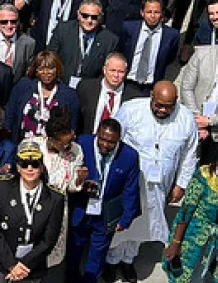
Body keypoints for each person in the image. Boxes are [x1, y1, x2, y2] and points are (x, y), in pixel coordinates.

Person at [106, 81, 200, 281]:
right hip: (130, 182)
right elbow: (112, 141)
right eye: (159, 105)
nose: (163, 110)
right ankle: (111, 260)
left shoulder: (186, 118)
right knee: (123, 223)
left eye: (168, 107)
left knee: (145, 224)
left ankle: (128, 259)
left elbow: (189, 155)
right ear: (151, 96)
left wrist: (181, 185)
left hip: (160, 184)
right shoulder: (131, 110)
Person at [162, 140, 218, 283]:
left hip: (213, 238)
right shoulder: (203, 176)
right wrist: (175, 243)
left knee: (203, 272)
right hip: (192, 237)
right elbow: (185, 212)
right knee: (183, 274)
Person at [67, 119, 141, 283]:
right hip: (81, 208)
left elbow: (130, 189)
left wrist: (126, 219)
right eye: (102, 139)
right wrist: (80, 183)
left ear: (119, 140)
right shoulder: (81, 144)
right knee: (74, 250)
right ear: (96, 134)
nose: (105, 145)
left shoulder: (129, 156)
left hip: (106, 213)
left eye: (111, 142)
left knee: (98, 255)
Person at [0, 143, 66, 283]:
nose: (29, 168)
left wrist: (24, 266)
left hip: (31, 267)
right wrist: (11, 264)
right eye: (25, 164)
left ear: (41, 167)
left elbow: (49, 240)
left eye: (35, 164)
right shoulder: (1, 188)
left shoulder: (55, 198)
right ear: (18, 167)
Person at [38, 115, 86, 279]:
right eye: (64, 143)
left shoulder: (76, 151)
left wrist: (79, 180)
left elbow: (71, 186)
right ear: (51, 139)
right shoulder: (33, 147)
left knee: (53, 258)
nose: (68, 146)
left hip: (58, 210)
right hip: (34, 208)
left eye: (71, 140)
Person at [5, 50, 81, 143]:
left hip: (52, 148)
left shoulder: (70, 95)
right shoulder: (23, 86)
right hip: (23, 145)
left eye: (50, 68)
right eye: (41, 69)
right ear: (36, 71)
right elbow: (10, 114)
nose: (46, 72)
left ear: (57, 69)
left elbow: (72, 128)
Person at [117, 0, 179, 97]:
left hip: (150, 86)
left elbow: (170, 58)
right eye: (149, 12)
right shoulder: (129, 28)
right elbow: (120, 50)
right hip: (127, 81)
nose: (152, 16)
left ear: (162, 14)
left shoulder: (171, 35)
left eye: (156, 12)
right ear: (142, 13)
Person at [54, 0, 119, 87]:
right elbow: (52, 58)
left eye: (94, 17)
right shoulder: (63, 30)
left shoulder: (110, 40)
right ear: (78, 14)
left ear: (100, 17)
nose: (89, 20)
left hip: (90, 89)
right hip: (61, 84)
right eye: (85, 16)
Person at [76, 53, 135, 135]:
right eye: (112, 70)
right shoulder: (86, 87)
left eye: (121, 72)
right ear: (104, 69)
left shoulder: (133, 96)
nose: (116, 75)